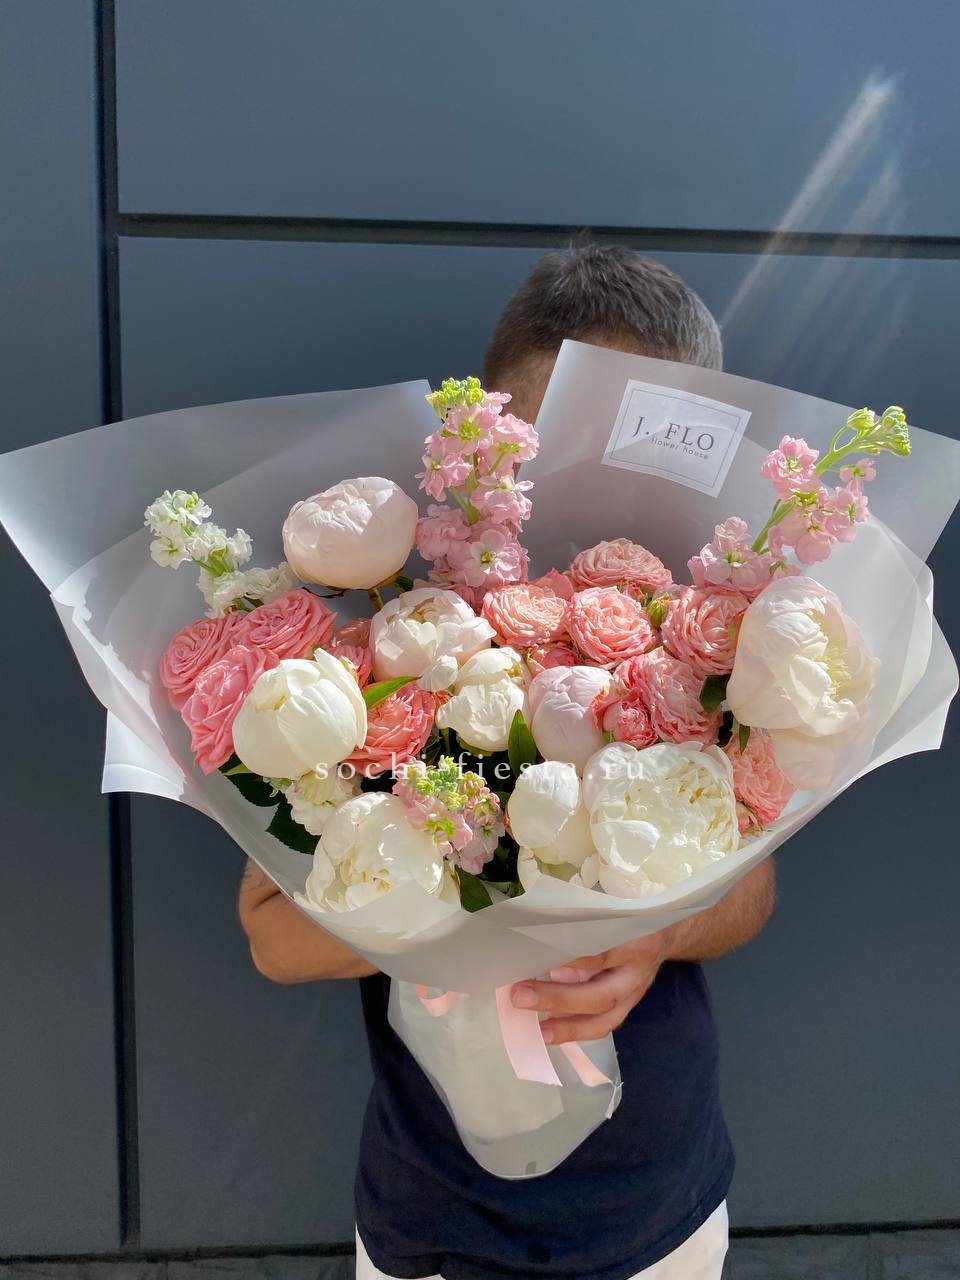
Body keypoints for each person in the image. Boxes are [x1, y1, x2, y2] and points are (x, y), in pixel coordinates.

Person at [238, 244, 775, 1280]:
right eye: (566, 444)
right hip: (434, 1213)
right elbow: (273, 939)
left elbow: (751, 895)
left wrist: (659, 928)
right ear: (494, 431)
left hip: (660, 1199)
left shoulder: (707, 644)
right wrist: (461, 905)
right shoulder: (387, 647)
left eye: (647, 447)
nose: (606, 490)